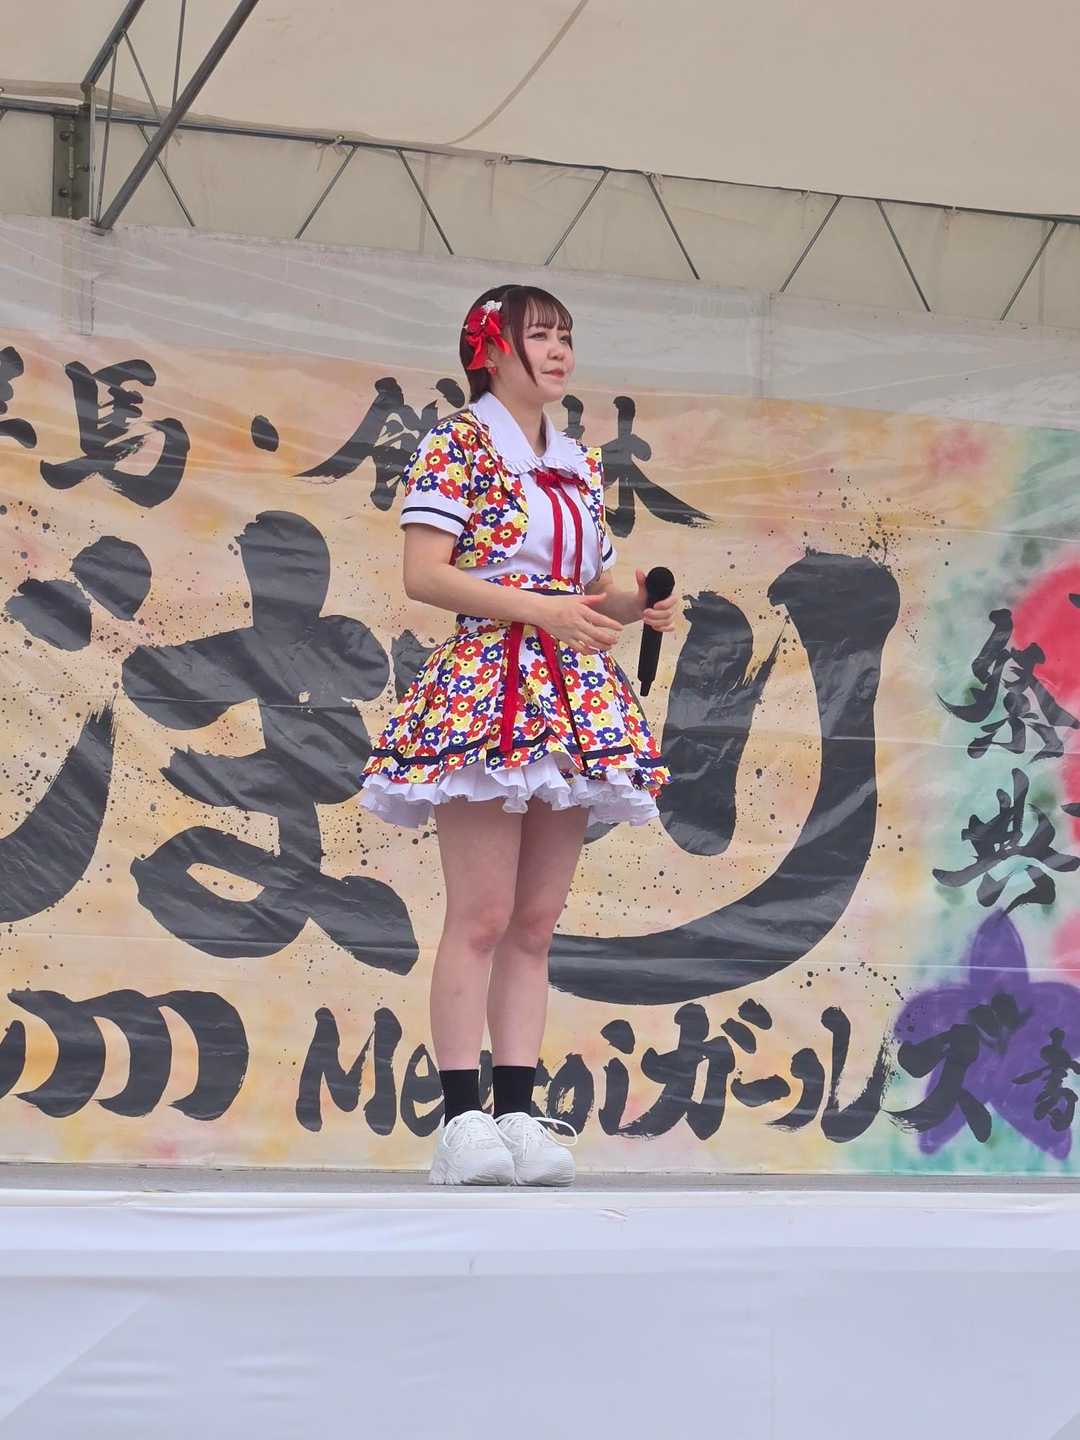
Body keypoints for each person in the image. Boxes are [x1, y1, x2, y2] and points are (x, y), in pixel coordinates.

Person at [360, 283, 676, 1186]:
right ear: (491, 350)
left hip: (569, 691)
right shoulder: (457, 443)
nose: (559, 350)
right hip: (488, 687)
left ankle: (517, 1111)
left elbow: (593, 588)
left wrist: (639, 603)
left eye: (566, 335)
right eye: (540, 334)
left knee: (535, 923)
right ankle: (461, 1120)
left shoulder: (576, 459)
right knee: (482, 915)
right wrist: (543, 610)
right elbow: (425, 575)